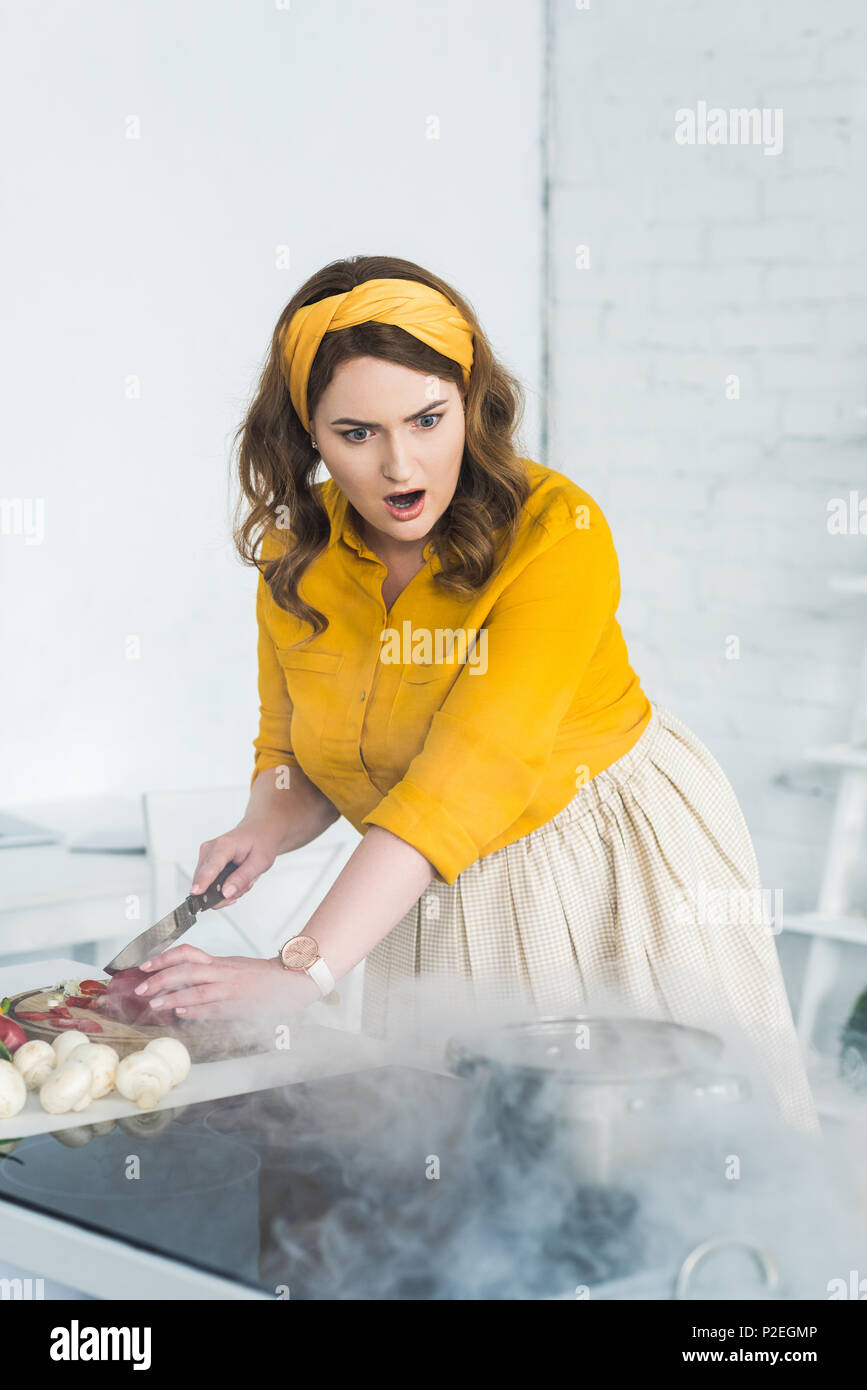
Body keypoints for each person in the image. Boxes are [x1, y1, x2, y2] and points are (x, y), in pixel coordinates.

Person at [135, 254, 820, 1135]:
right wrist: (260, 828)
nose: (400, 465)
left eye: (428, 419)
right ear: (306, 433)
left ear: (472, 401)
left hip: (588, 853)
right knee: (458, 1157)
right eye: (356, 434)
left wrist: (299, 968)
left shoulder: (555, 534)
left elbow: (468, 776)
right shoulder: (292, 553)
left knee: (635, 1150)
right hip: (408, 866)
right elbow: (295, 748)